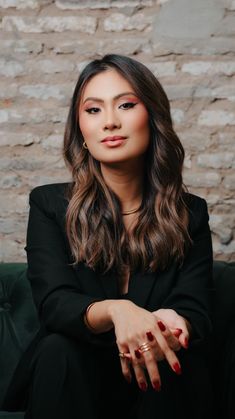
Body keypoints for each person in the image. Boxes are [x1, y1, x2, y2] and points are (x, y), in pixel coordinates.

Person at [3, 54, 214, 419]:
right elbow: (55, 303)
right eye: (94, 110)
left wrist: (173, 322)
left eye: (126, 105)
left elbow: (195, 306)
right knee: (59, 348)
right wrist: (121, 311)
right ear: (80, 129)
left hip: (156, 376)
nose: (110, 122)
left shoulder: (190, 211)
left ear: (153, 117)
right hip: (71, 372)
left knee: (174, 356)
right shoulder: (50, 204)